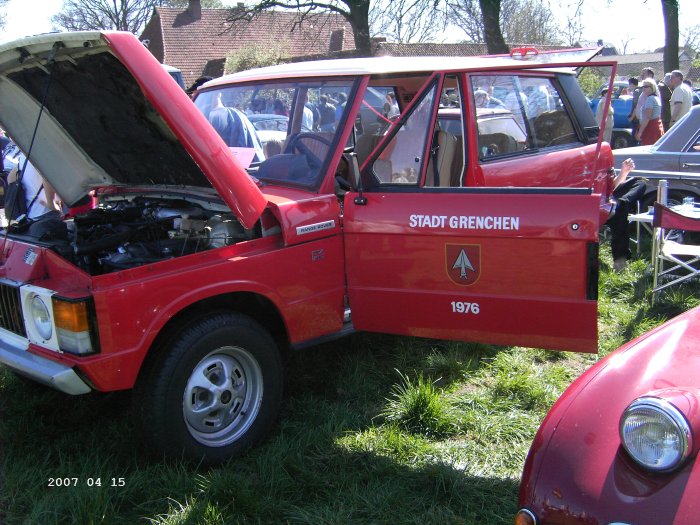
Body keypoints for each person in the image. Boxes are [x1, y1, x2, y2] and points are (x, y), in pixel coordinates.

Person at [606, 158, 646, 272]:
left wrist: (624, 172)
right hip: (598, 203)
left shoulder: (604, 161)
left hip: (612, 199)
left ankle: (622, 202)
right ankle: (620, 261)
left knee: (640, 182)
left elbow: (612, 187)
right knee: (620, 213)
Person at [635, 78, 663, 145]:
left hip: (650, 129)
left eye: (646, 86)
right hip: (656, 127)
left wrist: (640, 132)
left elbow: (647, 117)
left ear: (652, 87)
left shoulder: (650, 99)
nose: (643, 88)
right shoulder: (656, 98)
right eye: (643, 87)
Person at [627, 77, 641, 141]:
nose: (628, 86)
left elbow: (636, 106)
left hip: (636, 119)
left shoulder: (636, 92)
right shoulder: (639, 91)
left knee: (634, 137)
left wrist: (631, 118)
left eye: (629, 84)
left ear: (632, 84)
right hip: (639, 117)